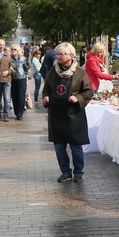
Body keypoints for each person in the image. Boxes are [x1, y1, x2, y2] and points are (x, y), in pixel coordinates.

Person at [42, 42, 94, 183]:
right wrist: (45, 97)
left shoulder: (80, 73)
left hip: (74, 115)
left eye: (62, 54)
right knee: (59, 147)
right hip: (56, 115)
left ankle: (78, 172)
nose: (58, 56)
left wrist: (77, 98)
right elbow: (46, 88)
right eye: (57, 54)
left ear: (71, 56)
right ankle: (65, 172)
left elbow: (89, 91)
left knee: (76, 146)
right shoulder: (53, 71)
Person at [9, 44, 28, 120]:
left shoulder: (23, 59)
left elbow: (25, 70)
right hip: (13, 79)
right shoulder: (9, 59)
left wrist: (26, 80)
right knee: (14, 96)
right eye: (12, 49)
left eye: (15, 49)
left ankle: (20, 113)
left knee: (21, 96)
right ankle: (16, 111)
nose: (13, 51)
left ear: (18, 50)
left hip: (21, 78)